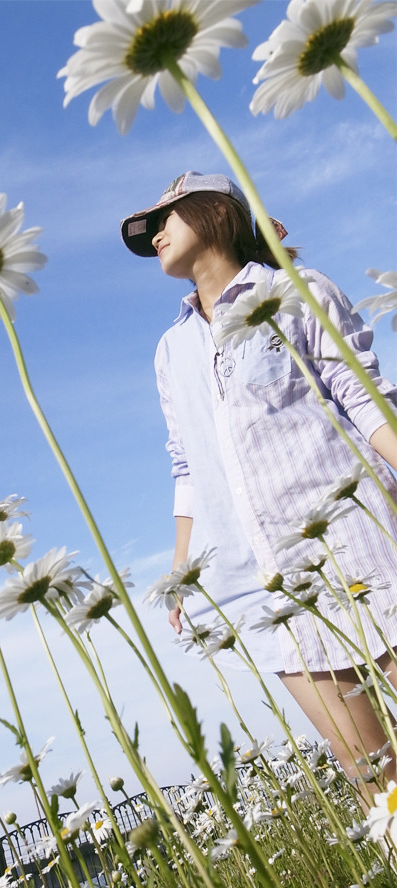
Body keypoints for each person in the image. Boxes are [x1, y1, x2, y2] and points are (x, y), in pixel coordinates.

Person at [120, 171, 397, 786]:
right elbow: (186, 463)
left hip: (362, 549)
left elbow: (364, 395)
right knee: (377, 780)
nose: (155, 235)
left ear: (213, 211)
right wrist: (184, 572)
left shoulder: (296, 289)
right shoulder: (171, 351)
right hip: (263, 585)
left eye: (163, 218)